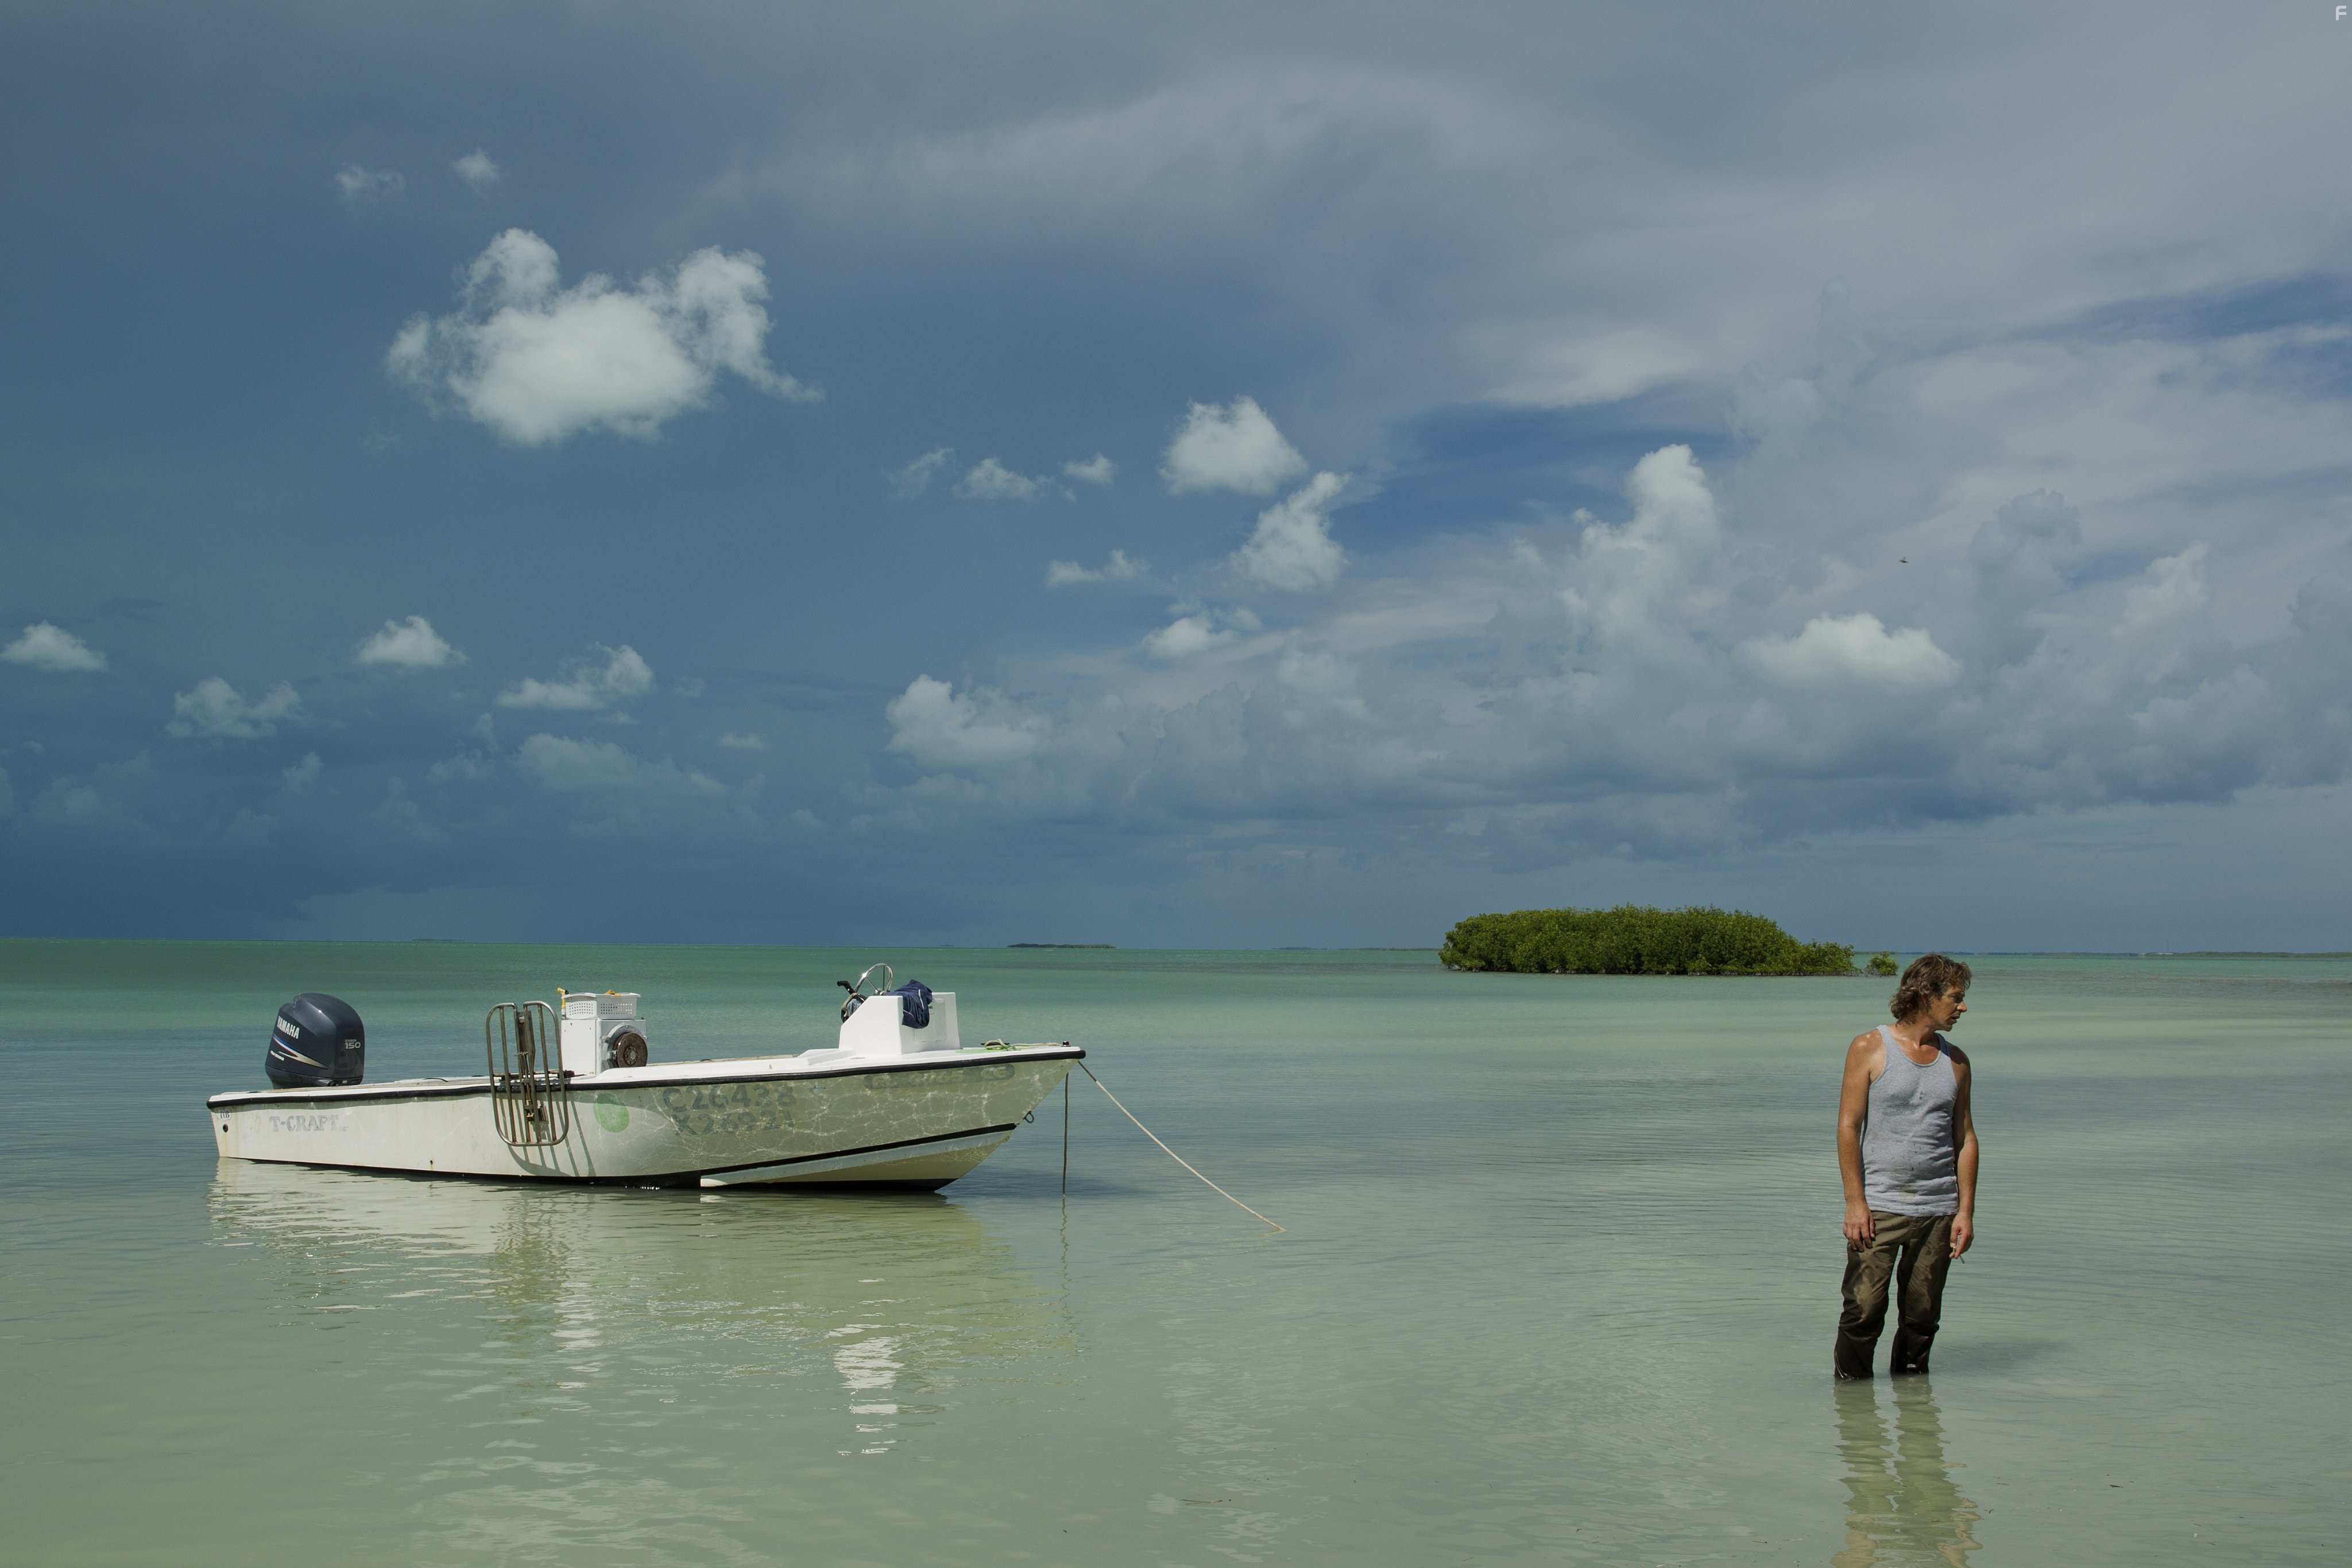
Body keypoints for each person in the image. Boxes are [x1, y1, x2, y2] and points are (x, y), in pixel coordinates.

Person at [1834, 954, 1978, 1379]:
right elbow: (1848, 1126)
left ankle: (1917, 1422)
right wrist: (1854, 1202)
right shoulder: (1869, 1047)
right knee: (1862, 1313)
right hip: (1878, 1206)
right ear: (1927, 994)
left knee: (1922, 1320)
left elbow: (1966, 1138)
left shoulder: (1957, 1062)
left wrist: (1965, 1212)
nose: (1963, 1007)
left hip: (1938, 1210)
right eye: (1956, 997)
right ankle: (1854, 1418)